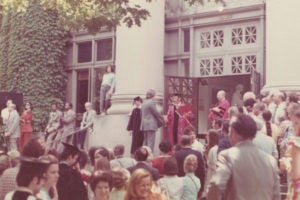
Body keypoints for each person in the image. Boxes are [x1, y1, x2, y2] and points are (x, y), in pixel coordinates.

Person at [207, 114, 280, 200]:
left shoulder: (227, 156)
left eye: (230, 132)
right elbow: (276, 195)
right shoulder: (270, 160)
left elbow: (216, 185)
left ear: (233, 132)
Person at [204, 130, 219, 196]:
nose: (206, 137)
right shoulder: (213, 148)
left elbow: (214, 164)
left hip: (212, 175)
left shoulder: (214, 149)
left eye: (208, 136)